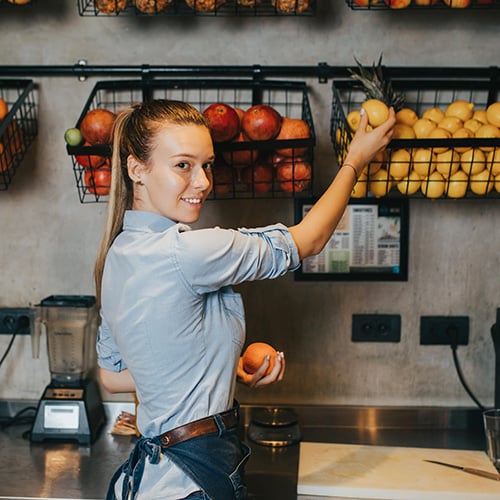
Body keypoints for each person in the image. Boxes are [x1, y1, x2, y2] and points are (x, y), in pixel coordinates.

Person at [94, 99, 395, 500]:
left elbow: (113, 378)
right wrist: (355, 161)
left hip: (149, 485)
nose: (202, 182)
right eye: (183, 165)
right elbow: (311, 239)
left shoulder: (115, 258)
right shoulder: (189, 252)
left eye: (207, 165)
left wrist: (223, 364)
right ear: (137, 170)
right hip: (193, 487)